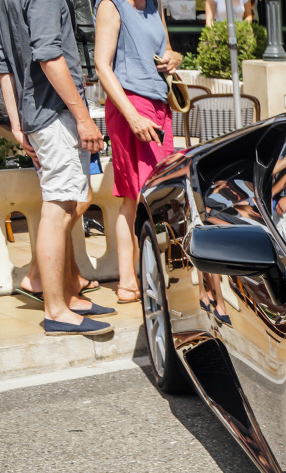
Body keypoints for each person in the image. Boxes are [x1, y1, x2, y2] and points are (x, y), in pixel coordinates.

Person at [0, 0, 112, 336]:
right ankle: (55, 308)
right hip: (54, 113)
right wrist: (83, 117)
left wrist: (17, 125)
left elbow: (2, 63)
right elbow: (48, 55)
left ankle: (64, 292)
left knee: (70, 201)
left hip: (37, 115)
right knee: (58, 208)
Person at [94, 0, 180, 304]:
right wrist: (132, 116)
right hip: (130, 105)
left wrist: (174, 58)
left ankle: (139, 279)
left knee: (152, 193)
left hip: (159, 105)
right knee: (136, 195)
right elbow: (102, 67)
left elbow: (167, 48)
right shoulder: (110, 5)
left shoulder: (155, 5)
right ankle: (130, 281)